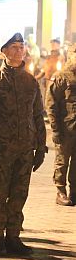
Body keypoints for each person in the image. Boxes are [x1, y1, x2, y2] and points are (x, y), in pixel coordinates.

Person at [0, 32, 47, 256]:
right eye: (14, 47)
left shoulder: (30, 81)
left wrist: (40, 147)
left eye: (21, 47)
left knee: (19, 193)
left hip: (25, 149)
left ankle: (13, 236)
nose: (19, 51)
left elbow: (37, 116)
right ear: (4, 52)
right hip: (2, 150)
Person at [45, 45, 76, 206]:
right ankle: (61, 191)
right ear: (70, 55)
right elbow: (51, 104)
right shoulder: (61, 77)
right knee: (62, 161)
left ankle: (74, 192)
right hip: (66, 129)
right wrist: (55, 129)